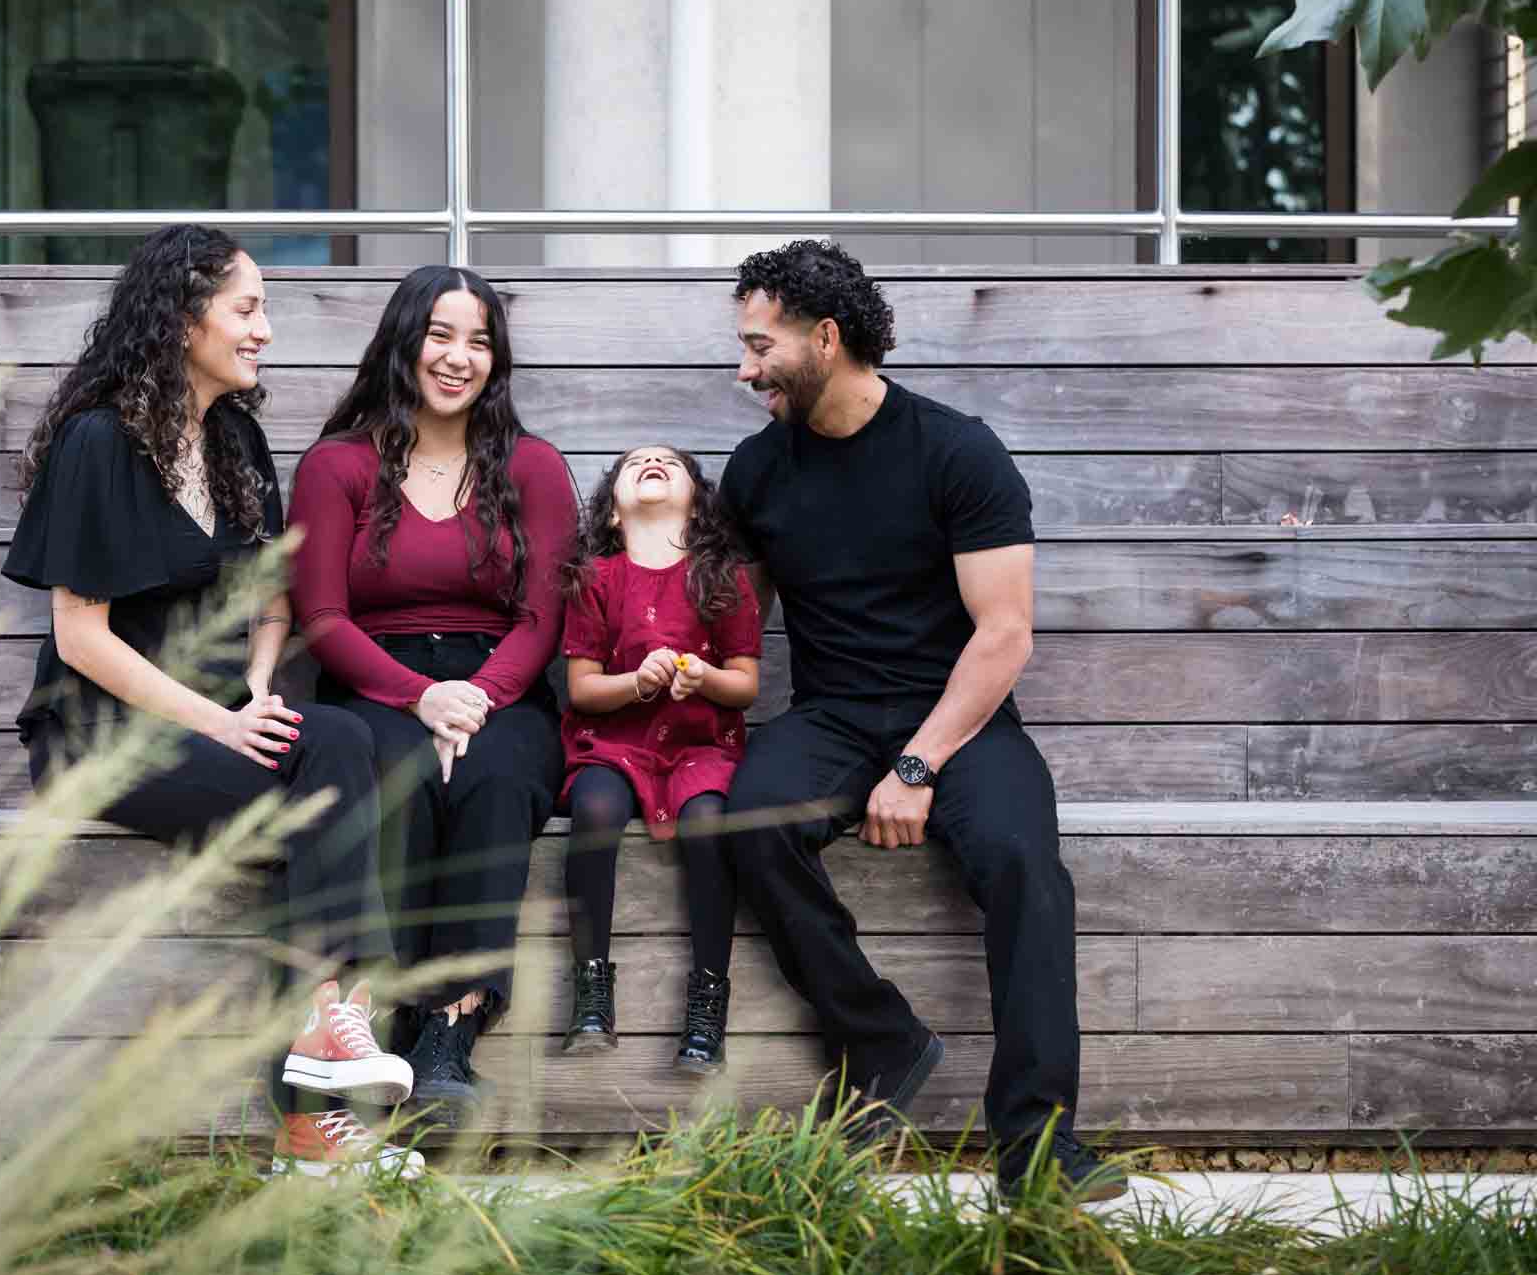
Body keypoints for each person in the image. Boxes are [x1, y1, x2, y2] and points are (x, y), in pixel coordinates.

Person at [2, 224, 418, 1178]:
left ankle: (322, 1049)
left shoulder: (233, 436)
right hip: (105, 735)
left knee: (341, 753)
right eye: (248, 306)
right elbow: (80, 637)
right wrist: (222, 719)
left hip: (220, 724)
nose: (266, 328)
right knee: (332, 777)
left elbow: (272, 601)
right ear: (185, 318)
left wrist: (263, 682)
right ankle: (325, 1088)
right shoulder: (97, 442)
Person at [716, 239, 1126, 1203]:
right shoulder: (757, 471)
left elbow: (1005, 633)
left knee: (1026, 866)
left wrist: (917, 765)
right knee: (748, 819)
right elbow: (733, 623)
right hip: (831, 717)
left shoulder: (956, 450)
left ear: (825, 338)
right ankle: (881, 1038)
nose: (743, 369)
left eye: (757, 345)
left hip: (965, 719)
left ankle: (1037, 1148)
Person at [287, 265, 575, 1125]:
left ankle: (449, 1034)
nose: (459, 357)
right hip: (379, 680)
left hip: (502, 685)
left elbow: (543, 615)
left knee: (498, 778)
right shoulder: (336, 465)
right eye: (441, 335)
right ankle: (386, 1013)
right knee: (398, 772)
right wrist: (421, 698)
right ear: (403, 342)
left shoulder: (533, 466)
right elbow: (322, 616)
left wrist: (476, 698)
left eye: (479, 341)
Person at [555, 445, 761, 1075]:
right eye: (634, 462)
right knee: (593, 808)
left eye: (669, 463)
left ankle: (707, 1002)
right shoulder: (596, 577)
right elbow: (583, 689)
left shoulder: (723, 578)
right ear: (613, 512)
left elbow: (746, 684)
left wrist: (702, 677)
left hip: (702, 746)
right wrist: (637, 685)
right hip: (616, 742)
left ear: (696, 504)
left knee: (709, 825)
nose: (652, 464)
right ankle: (591, 991)